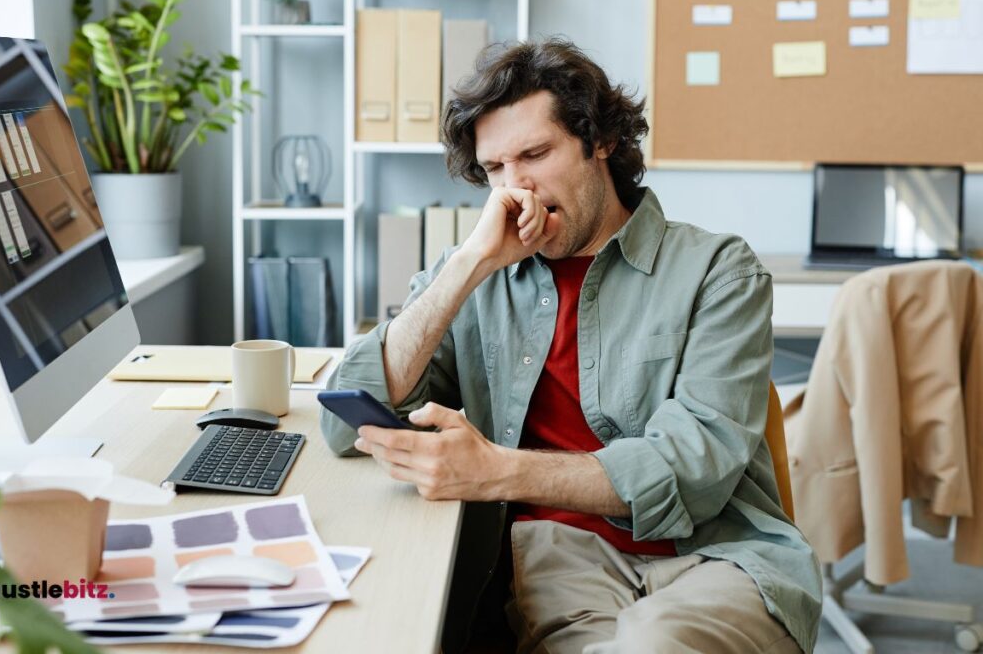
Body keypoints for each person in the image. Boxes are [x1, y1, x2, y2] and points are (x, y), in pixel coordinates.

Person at [321, 38, 822, 654]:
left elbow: (696, 470)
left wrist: (497, 472)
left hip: (719, 554)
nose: (515, 187)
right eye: (495, 169)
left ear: (601, 141)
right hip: (559, 556)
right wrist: (467, 265)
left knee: (656, 642)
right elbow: (344, 422)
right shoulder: (478, 275)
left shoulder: (719, 271)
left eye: (535, 153)